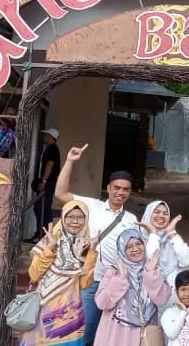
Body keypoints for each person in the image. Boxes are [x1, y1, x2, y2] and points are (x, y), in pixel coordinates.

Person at [55, 143, 139, 346]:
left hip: (116, 284)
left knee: (109, 337)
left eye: (125, 189)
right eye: (116, 188)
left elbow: (135, 253)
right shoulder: (91, 206)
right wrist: (69, 161)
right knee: (86, 334)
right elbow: (61, 194)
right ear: (108, 188)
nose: (120, 192)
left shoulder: (132, 219)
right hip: (91, 281)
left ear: (129, 193)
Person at [22, 200, 92, 346]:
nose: (75, 221)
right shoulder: (49, 240)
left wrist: (92, 254)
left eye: (80, 217)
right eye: (70, 217)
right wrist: (50, 248)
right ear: (63, 218)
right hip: (45, 306)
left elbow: (85, 284)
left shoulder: (86, 247)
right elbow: (34, 274)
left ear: (86, 220)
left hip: (71, 312)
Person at [93, 229, 172, 345]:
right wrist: (120, 279)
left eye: (139, 244)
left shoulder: (152, 268)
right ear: (122, 250)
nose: (135, 249)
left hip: (147, 336)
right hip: (117, 336)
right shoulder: (113, 271)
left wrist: (151, 274)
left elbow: (162, 300)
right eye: (128, 247)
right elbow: (102, 303)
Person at [138, 200, 189, 309]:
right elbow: (152, 262)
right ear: (148, 214)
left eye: (165, 213)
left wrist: (172, 234)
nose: (161, 216)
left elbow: (186, 260)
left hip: (173, 299)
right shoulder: (136, 240)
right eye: (157, 212)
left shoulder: (173, 239)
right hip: (147, 299)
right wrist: (153, 234)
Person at [160, 270, 189, 346]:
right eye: (183, 289)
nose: (187, 294)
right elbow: (171, 334)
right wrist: (184, 312)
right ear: (176, 291)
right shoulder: (168, 313)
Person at [32, 128, 62, 241]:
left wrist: (43, 181)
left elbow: (50, 165)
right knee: (41, 208)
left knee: (41, 208)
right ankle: (42, 235)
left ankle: (43, 236)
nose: (44, 137)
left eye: (46, 135)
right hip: (49, 182)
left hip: (48, 183)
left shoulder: (52, 150)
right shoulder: (51, 149)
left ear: (51, 137)